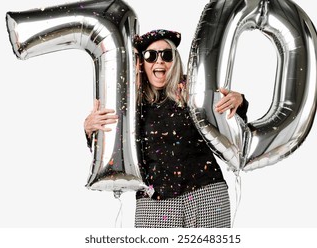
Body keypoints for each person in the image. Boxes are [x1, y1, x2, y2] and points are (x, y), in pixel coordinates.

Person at [84, 29, 248, 228]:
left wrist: (239, 102)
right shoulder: (127, 103)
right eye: (150, 56)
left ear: (175, 61)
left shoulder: (193, 90)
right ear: (141, 64)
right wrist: (91, 130)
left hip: (206, 194)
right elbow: (113, 153)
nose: (159, 61)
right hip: (154, 202)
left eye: (166, 55)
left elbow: (230, 130)